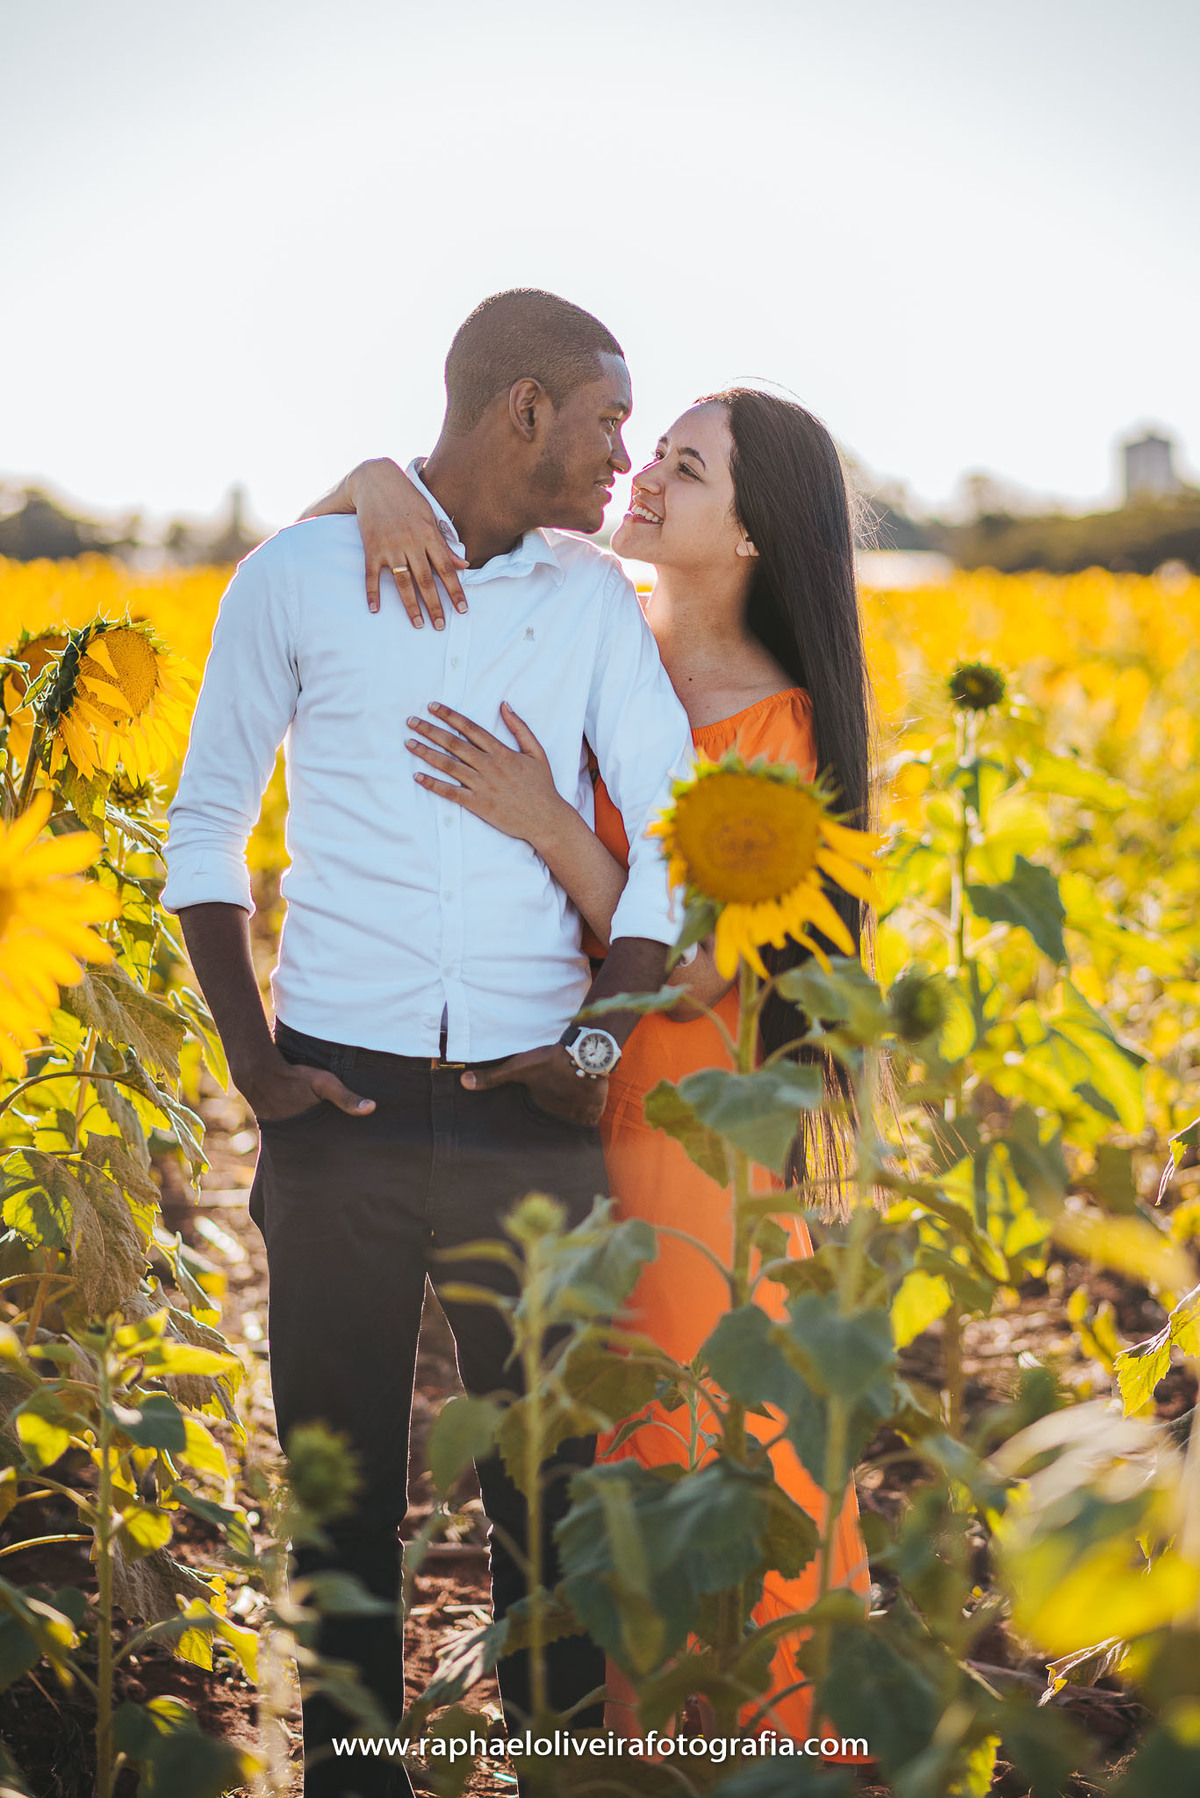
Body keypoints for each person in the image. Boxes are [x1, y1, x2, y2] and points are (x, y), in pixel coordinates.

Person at [162, 288, 693, 1798]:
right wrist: (257, 1069)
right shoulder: (296, 579)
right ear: (519, 407)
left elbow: (663, 827)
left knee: (548, 1493)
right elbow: (204, 828)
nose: (621, 454)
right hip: (339, 1106)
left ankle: (562, 1775)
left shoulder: (591, 604)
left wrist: (601, 1035)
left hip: (538, 1117)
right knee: (342, 1501)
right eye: (604, 418)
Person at [314, 387, 874, 1743]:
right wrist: (377, 478)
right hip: (552, 1101)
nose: (645, 478)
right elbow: (318, 571)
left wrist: (548, 821)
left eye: (686, 469)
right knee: (564, 1442)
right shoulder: (583, 617)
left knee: (683, 1427)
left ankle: (726, 1742)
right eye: (659, 452)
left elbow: (704, 969)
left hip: (683, 1127)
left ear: (750, 538)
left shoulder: (778, 732)